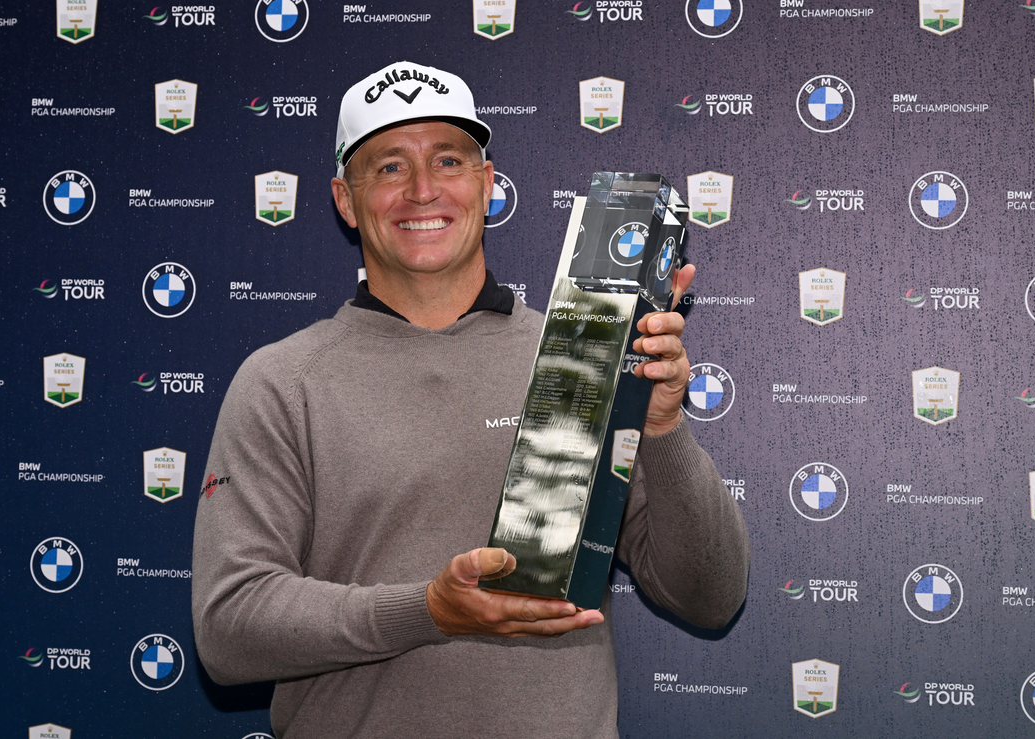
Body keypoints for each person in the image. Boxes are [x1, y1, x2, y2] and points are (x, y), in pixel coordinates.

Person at [191, 61, 748, 738]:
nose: (422, 190)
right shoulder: (283, 381)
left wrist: (660, 427)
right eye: (389, 167)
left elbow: (711, 595)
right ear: (345, 199)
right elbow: (229, 630)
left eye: (448, 160)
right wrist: (428, 610)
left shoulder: (581, 355)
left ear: (486, 185)